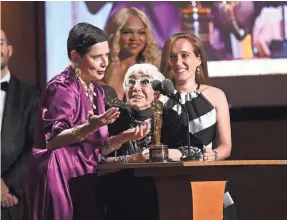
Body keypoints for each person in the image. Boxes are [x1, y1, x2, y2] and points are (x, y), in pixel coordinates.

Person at [21, 23, 150, 220]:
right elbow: (52, 140)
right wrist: (90, 126)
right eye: (97, 57)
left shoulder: (97, 91)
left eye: (106, 55)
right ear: (75, 57)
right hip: (58, 176)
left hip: (84, 178)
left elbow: (96, 149)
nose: (104, 63)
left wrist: (125, 137)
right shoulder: (63, 87)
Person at [159, 32, 237, 219]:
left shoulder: (216, 95)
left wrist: (215, 155)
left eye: (185, 55)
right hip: (170, 183)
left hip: (208, 179)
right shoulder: (159, 99)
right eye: (173, 56)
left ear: (198, 59)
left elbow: (226, 146)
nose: (178, 62)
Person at [101, 63, 183, 220]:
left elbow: (191, 150)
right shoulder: (115, 118)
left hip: (164, 199)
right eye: (131, 82)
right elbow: (97, 159)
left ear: (157, 93)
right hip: (119, 200)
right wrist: (130, 159)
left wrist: (162, 154)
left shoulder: (170, 117)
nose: (136, 87)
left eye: (144, 82)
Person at [0, 29, 39, 220]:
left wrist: (8, 185)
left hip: (11, 200)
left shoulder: (30, 95)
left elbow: (35, 145)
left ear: (9, 49)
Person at [103, 7, 161, 100]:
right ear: (115, 34)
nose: (135, 38)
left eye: (141, 32)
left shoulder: (155, 70)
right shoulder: (101, 67)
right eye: (127, 32)